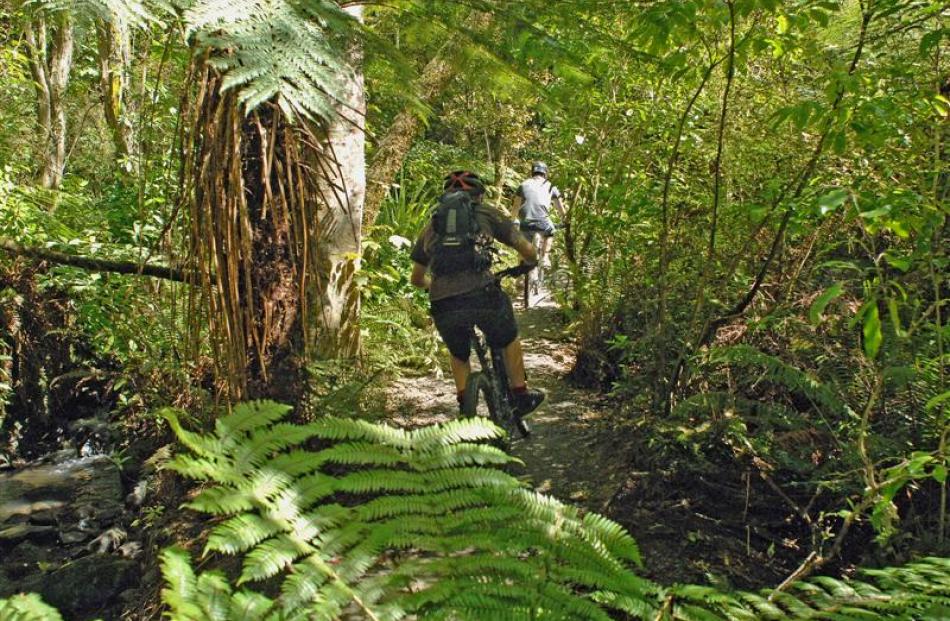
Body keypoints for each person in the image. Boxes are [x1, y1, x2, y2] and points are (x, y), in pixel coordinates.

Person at [410, 171, 545, 417]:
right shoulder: (488, 213)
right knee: (508, 337)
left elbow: (417, 278)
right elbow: (526, 248)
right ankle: (520, 395)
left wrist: (438, 286)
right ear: (480, 197)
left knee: (459, 353)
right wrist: (529, 263)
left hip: (443, 302)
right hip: (482, 294)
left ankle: (465, 408)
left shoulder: (433, 225)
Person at [512, 161, 566, 267]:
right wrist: (565, 219)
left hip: (525, 223)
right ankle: (545, 258)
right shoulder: (551, 186)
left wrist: (513, 219)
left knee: (523, 249)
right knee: (550, 232)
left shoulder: (523, 184)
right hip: (542, 222)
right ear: (545, 173)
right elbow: (560, 207)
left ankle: (520, 277)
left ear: (532, 172)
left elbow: (515, 206)